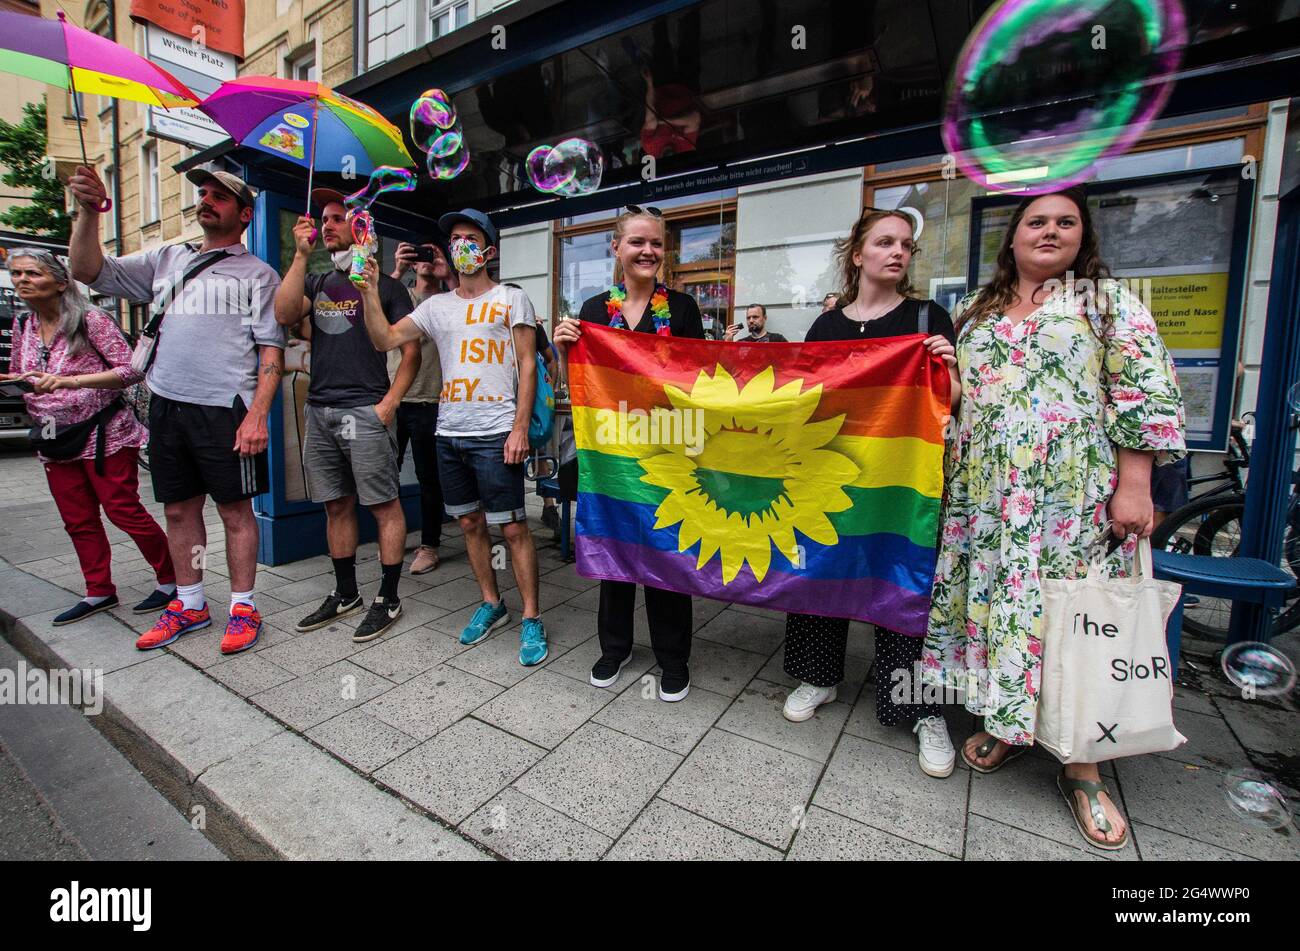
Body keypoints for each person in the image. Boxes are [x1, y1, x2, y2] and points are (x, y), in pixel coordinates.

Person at [923, 187, 1185, 850]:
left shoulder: (1106, 303)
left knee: (1073, 623)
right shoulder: (976, 311)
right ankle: (1010, 725)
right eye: (1036, 220)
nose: (1050, 230)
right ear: (1012, 237)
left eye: (1065, 221)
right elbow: (970, 401)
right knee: (1004, 614)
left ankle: (1085, 765)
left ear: (1082, 235)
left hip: (1071, 501)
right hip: (989, 498)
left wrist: (1135, 485)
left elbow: (1144, 394)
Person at [67, 164, 285, 655]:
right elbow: (86, 270)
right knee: (180, 508)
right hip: (166, 405)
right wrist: (88, 212)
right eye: (203, 193)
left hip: (226, 409)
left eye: (219, 196)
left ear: (244, 215)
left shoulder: (258, 274)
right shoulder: (168, 257)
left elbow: (273, 351)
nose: (206, 200)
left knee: (234, 511)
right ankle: (189, 603)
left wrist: (257, 417)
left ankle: (244, 607)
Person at [781, 210, 961, 778]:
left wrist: (952, 377)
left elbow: (952, 401)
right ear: (857, 254)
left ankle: (922, 709)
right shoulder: (824, 328)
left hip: (900, 484)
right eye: (884, 242)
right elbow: (803, 401)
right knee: (821, 574)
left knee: (903, 587)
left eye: (905, 245)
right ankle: (818, 676)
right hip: (831, 477)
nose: (897, 252)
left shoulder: (928, 319)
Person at [358, 208, 548, 667]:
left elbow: (527, 366)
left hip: (496, 432)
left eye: (469, 237)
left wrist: (520, 427)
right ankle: (491, 603)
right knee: (467, 524)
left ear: (487, 250)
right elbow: (384, 339)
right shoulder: (435, 307)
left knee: (515, 527)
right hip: (449, 433)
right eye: (454, 238)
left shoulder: (510, 298)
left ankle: (531, 617)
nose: (460, 244)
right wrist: (368, 290)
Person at [553, 205, 704, 702]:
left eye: (656, 243)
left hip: (669, 449)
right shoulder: (595, 311)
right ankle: (613, 647)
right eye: (637, 242)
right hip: (612, 454)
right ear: (615, 249)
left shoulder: (682, 311)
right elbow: (577, 384)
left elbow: (700, 382)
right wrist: (563, 349)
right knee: (614, 551)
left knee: (668, 553)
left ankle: (673, 657)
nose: (648, 251)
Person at [274, 189, 419, 642]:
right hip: (321, 410)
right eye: (325, 219)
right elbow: (281, 314)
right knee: (336, 504)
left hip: (366, 407)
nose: (329, 224)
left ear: (362, 230)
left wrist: (389, 403)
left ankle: (388, 597)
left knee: (382, 504)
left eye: (339, 218)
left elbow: (410, 352)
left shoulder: (388, 287)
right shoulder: (316, 282)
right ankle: (345, 593)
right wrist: (300, 256)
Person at [2, 249, 175, 624]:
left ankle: (171, 578)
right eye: (16, 274)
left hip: (103, 433)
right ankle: (98, 590)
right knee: (77, 518)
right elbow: (22, 370)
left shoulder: (90, 320)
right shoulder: (23, 326)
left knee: (123, 510)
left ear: (60, 281)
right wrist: (18, 381)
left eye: (32, 273)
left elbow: (132, 369)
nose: (21, 280)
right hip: (53, 436)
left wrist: (70, 381)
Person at [391, 236, 451, 575]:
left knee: (430, 479)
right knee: (387, 476)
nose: (425, 259)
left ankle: (430, 545)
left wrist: (448, 274)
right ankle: (394, 534)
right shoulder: (399, 294)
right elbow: (369, 309)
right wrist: (396, 270)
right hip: (394, 399)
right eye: (420, 254)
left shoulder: (448, 300)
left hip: (432, 400)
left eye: (432, 253)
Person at [723, 303, 787, 343]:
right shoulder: (742, 343)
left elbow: (791, 360)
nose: (751, 321)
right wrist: (728, 342)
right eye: (748, 318)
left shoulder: (777, 339)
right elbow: (729, 362)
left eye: (755, 317)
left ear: (765, 318)